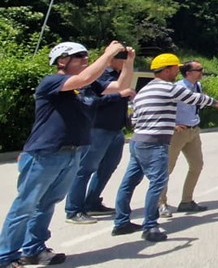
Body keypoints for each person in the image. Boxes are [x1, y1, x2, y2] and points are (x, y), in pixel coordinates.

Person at [0, 41, 130, 268]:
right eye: (79, 56)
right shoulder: (52, 82)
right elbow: (84, 78)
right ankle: (6, 256)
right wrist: (108, 54)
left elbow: (120, 86)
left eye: (86, 56)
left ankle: (34, 250)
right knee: (26, 205)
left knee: (48, 204)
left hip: (72, 152)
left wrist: (128, 61)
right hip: (45, 153)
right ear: (62, 61)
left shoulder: (83, 87)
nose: (85, 59)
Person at [112, 54, 218, 242]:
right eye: (176, 68)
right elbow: (194, 98)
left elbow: (133, 119)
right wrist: (217, 103)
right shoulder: (168, 88)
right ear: (167, 70)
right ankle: (150, 226)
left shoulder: (144, 90)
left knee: (129, 183)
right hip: (155, 142)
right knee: (158, 182)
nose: (178, 71)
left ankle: (121, 223)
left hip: (137, 141)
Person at [64, 50, 135, 224]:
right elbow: (89, 102)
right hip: (97, 128)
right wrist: (118, 95)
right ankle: (73, 210)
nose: (125, 62)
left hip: (116, 128)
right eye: (123, 59)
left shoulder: (121, 74)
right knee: (85, 169)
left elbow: (123, 89)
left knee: (108, 168)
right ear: (111, 59)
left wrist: (129, 64)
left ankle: (92, 202)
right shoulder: (98, 75)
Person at [158, 61, 211, 217]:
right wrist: (171, 125)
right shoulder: (177, 87)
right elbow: (163, 107)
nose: (202, 72)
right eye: (199, 70)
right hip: (177, 133)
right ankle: (160, 203)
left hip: (193, 131)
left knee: (197, 165)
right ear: (188, 73)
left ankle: (186, 201)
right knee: (166, 169)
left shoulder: (198, 86)